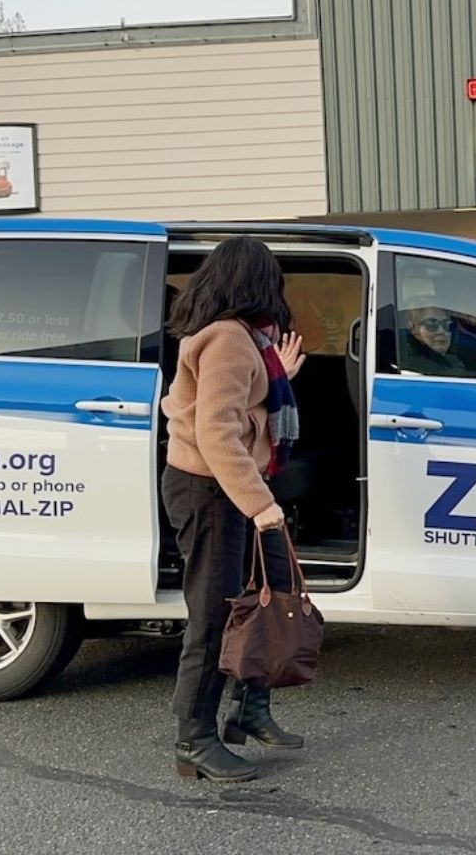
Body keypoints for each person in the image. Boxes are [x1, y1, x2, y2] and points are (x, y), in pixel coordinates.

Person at [161, 237, 308, 783]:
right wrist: (262, 507)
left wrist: (277, 382)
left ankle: (250, 709)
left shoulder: (247, 340)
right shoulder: (227, 339)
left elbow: (237, 406)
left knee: (270, 596)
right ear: (255, 284)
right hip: (211, 492)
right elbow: (216, 432)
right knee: (214, 615)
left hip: (230, 489)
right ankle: (193, 741)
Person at [398, 276, 474, 376]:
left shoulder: (453, 361)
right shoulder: (413, 365)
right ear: (413, 327)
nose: (441, 331)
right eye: (432, 324)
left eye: (446, 325)